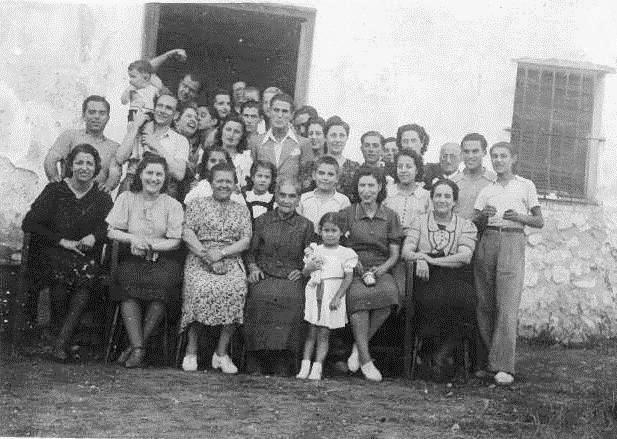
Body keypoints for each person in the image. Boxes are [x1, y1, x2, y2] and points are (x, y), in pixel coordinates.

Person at [23, 144, 113, 361]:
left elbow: (110, 226)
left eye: (89, 163)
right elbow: (30, 223)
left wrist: (95, 237)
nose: (84, 167)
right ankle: (63, 340)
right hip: (53, 251)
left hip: (83, 257)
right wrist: (61, 241)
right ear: (70, 165)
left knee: (86, 273)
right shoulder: (55, 190)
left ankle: (60, 341)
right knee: (61, 273)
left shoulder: (101, 197)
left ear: (96, 168)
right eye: (79, 162)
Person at [473, 141, 543, 386]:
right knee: (485, 302)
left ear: (513, 159)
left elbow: (539, 220)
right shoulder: (487, 188)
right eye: (494, 156)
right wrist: (483, 216)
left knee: (507, 303)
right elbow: (476, 222)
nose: (499, 160)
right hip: (488, 240)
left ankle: (504, 366)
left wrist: (519, 217)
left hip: (513, 240)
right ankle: (488, 362)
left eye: (503, 156)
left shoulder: (525, 185)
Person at [106, 155, 184, 368]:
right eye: (149, 173)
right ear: (140, 174)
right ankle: (139, 348)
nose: (154, 178)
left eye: (159, 174)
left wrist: (150, 245)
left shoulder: (172, 205)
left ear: (165, 178)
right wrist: (134, 239)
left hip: (162, 261)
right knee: (127, 286)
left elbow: (175, 241)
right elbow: (111, 230)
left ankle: (135, 347)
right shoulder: (127, 199)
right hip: (133, 259)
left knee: (163, 288)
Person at [179, 163, 252, 374]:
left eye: (228, 181)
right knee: (200, 288)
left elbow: (245, 240)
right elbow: (188, 233)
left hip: (229, 258)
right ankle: (191, 350)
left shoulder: (241, 209)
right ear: (210, 183)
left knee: (236, 288)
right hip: (200, 256)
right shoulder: (197, 204)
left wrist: (221, 254)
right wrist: (207, 255)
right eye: (219, 180)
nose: (223, 185)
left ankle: (220, 353)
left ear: (234, 185)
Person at [402, 179, 478, 381]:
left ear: (454, 202)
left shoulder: (466, 226)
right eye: (438, 195)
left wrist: (430, 259)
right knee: (428, 301)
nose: (442, 200)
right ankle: (430, 354)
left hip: (454, 275)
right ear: (432, 198)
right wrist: (420, 259)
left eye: (447, 196)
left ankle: (442, 354)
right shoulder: (419, 221)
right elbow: (407, 251)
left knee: (465, 301)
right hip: (425, 276)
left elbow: (464, 257)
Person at [338, 167, 403, 382]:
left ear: (380, 188)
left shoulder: (390, 216)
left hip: (380, 267)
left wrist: (382, 269)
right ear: (357, 189)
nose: (366, 191)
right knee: (358, 298)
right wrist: (352, 261)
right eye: (362, 186)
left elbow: (394, 254)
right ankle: (366, 360)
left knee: (388, 296)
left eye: (371, 186)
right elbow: (338, 246)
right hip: (353, 268)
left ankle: (358, 346)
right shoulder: (347, 214)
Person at [244, 179, 314, 375]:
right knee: (258, 297)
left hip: (290, 275)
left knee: (293, 299)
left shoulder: (306, 225)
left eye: (292, 196)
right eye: (282, 195)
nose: (286, 200)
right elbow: (251, 251)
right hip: (264, 273)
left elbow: (309, 254)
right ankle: (256, 355)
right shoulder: (262, 221)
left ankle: (282, 357)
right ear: (276, 196)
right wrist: (252, 267)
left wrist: (301, 270)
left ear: (298, 199)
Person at [296, 213, 358, 381]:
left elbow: (348, 277)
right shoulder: (315, 250)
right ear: (320, 231)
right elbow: (304, 273)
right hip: (314, 291)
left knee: (324, 332)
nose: (329, 234)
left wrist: (338, 297)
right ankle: (305, 364)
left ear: (342, 232)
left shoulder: (346, 253)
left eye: (334, 230)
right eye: (326, 230)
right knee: (311, 331)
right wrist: (309, 267)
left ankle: (317, 366)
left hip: (332, 292)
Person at [112, 93, 190, 199]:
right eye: (160, 106)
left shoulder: (180, 140)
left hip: (161, 188)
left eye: (168, 108)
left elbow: (179, 174)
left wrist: (156, 146)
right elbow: (120, 158)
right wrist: (135, 127)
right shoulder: (139, 130)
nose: (162, 110)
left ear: (176, 114)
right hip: (131, 186)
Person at [43, 95, 119, 192]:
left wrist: (108, 187)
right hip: (67, 197)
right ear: (83, 115)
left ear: (108, 118)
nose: (96, 117)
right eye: (91, 112)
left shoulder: (114, 147)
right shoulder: (70, 136)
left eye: (102, 113)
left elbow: (115, 174)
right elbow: (50, 160)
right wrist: (57, 187)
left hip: (94, 201)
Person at [383, 149, 431, 299]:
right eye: (400, 166)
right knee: (394, 291)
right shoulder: (387, 193)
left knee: (412, 293)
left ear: (417, 169)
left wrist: (422, 256)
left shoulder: (425, 195)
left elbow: (430, 226)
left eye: (408, 166)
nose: (403, 171)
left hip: (416, 246)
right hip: (388, 246)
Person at [251, 93, 312, 184]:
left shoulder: (304, 143)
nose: (280, 115)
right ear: (270, 112)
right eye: (276, 110)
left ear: (292, 115)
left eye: (285, 111)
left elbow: (306, 178)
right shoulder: (256, 141)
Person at [450, 133, 496, 220]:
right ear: (462, 154)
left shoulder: (494, 181)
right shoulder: (453, 183)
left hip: (486, 232)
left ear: (484, 152)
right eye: (466, 152)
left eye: (475, 151)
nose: (470, 156)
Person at [297, 155, 350, 230]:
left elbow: (344, 228)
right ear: (314, 175)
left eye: (330, 174)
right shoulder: (303, 199)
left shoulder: (343, 201)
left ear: (337, 178)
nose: (325, 178)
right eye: (321, 173)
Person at [323, 116, 360, 201]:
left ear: (347, 138)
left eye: (342, 136)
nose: (337, 140)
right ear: (325, 137)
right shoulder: (313, 165)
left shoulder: (355, 168)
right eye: (333, 135)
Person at [216, 114, 252, 189]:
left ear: (242, 136)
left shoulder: (246, 158)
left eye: (236, 132)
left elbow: (245, 186)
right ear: (221, 131)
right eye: (228, 129)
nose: (231, 135)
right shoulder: (210, 153)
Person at [299, 116, 327, 191]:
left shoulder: (329, 160)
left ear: (325, 137)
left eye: (318, 134)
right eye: (311, 134)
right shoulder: (301, 161)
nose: (313, 137)